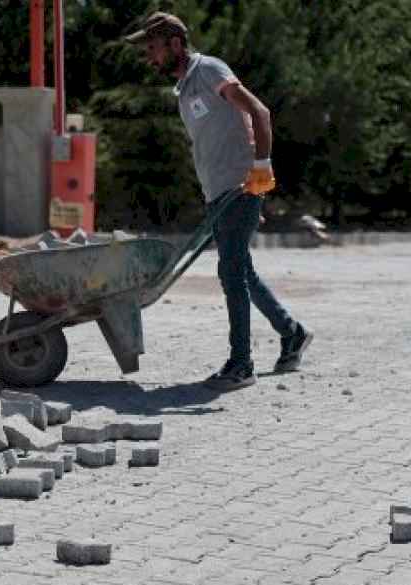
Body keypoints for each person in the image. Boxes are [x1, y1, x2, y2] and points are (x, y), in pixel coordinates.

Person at [126, 12, 311, 391]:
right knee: (241, 269)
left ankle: (241, 364)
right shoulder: (185, 88)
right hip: (222, 192)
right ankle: (291, 333)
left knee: (231, 270)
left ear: (176, 43)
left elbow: (258, 111)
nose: (150, 58)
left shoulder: (209, 70)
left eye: (154, 49)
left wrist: (259, 168)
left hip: (241, 186)